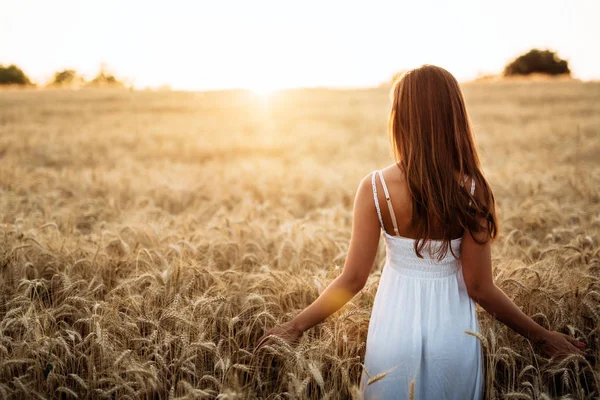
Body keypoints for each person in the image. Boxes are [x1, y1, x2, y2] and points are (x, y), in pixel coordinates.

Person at [254, 64, 586, 399]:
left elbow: (352, 280)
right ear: (453, 116)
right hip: (455, 336)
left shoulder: (375, 188)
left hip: (392, 331)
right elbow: (480, 287)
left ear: (400, 118)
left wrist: (294, 326)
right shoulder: (473, 190)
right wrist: (543, 336)